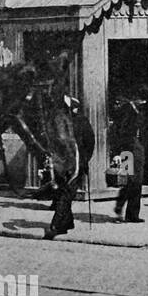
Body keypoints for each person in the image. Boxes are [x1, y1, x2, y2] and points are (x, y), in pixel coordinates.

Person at [44, 93, 95, 240]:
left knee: (65, 194)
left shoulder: (72, 122)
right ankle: (62, 224)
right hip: (68, 164)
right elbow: (89, 142)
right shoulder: (70, 122)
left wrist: (84, 160)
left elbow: (89, 142)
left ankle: (61, 224)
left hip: (69, 165)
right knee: (65, 194)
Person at [110, 96, 145, 225]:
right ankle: (123, 209)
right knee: (130, 181)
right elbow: (121, 134)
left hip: (136, 150)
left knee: (136, 182)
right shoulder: (127, 113)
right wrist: (118, 153)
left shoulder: (135, 112)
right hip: (128, 150)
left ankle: (132, 213)